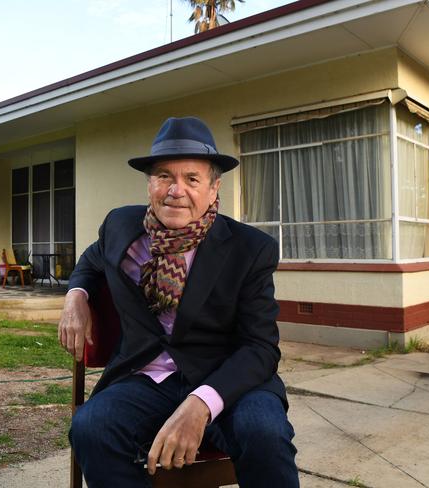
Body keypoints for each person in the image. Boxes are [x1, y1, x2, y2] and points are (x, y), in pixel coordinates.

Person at [59, 116, 298, 487]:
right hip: (145, 377)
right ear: (149, 184)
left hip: (227, 380)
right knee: (91, 428)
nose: (176, 190)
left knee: (264, 433)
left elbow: (260, 347)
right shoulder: (121, 227)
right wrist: (77, 295)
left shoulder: (250, 249)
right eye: (164, 176)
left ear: (214, 188)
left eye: (192, 178)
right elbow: (91, 261)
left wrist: (202, 403)